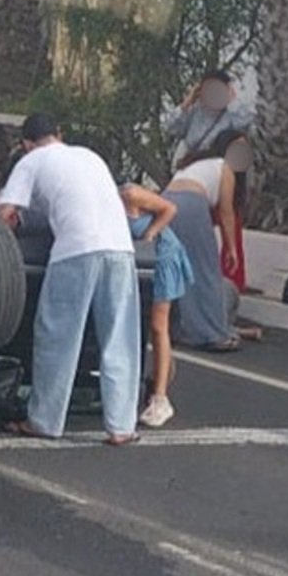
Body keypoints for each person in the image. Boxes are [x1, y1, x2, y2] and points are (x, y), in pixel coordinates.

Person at [0, 114, 143, 445]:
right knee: (120, 337)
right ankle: (121, 427)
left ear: (26, 144)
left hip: (76, 251)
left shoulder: (30, 161)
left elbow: (5, 214)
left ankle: (44, 421)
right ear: (60, 133)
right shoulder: (90, 156)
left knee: (57, 336)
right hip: (120, 249)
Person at [165, 129, 260, 352]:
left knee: (179, 269)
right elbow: (226, 211)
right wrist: (231, 248)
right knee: (206, 272)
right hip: (191, 203)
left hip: (166, 202)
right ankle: (213, 333)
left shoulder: (197, 163)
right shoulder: (224, 167)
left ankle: (178, 327)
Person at [121, 183, 190, 429]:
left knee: (158, 326)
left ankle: (161, 399)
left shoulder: (130, 194)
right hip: (139, 259)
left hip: (162, 254)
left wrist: (151, 233)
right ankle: (159, 374)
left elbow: (169, 208)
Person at [164, 69, 255, 173]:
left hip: (219, 168)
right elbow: (170, 128)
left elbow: (247, 125)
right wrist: (186, 103)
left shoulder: (232, 113)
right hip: (191, 165)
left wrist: (232, 101)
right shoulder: (195, 110)